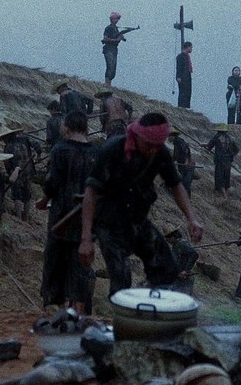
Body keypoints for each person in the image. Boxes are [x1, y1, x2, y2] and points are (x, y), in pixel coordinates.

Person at [78, 112, 204, 297]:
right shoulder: (112, 150)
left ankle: (153, 305)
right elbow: (91, 192)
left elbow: (176, 185)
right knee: (121, 277)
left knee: (166, 267)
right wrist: (86, 238)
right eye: (149, 145)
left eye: (157, 145)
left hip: (138, 218)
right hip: (109, 221)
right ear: (137, 135)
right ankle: (122, 312)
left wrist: (191, 219)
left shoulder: (160, 152)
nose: (153, 150)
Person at [36, 111, 98, 314]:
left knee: (56, 261)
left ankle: (57, 308)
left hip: (62, 214)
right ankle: (79, 310)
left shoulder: (60, 149)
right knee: (81, 265)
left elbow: (53, 183)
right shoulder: (96, 152)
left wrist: (44, 200)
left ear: (68, 127)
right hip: (86, 219)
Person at [0, 126, 42, 222]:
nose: (3, 140)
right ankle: (26, 218)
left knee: (17, 195)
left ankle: (19, 218)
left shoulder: (8, 147)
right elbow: (37, 146)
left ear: (7, 136)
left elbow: (7, 164)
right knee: (27, 194)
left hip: (16, 173)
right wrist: (39, 156)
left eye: (3, 138)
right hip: (29, 171)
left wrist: (10, 175)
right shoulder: (25, 139)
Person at [203, 124, 239, 198]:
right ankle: (226, 194)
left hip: (220, 160)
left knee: (220, 177)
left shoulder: (217, 137)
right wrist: (232, 156)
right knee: (226, 177)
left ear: (219, 131)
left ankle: (224, 195)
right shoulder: (230, 138)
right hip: (228, 160)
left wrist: (205, 148)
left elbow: (209, 147)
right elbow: (237, 150)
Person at [165, 226, 199, 295]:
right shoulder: (176, 245)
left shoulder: (182, 244)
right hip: (178, 278)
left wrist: (185, 270)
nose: (166, 240)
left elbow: (194, 254)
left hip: (184, 278)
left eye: (167, 238)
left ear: (173, 237)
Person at [169, 128, 194, 197]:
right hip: (182, 164)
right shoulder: (175, 143)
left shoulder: (179, 141)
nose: (168, 138)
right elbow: (175, 155)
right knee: (182, 181)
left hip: (188, 164)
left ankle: (187, 198)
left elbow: (186, 151)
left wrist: (186, 161)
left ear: (173, 136)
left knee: (186, 183)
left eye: (169, 136)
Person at [102, 11, 125, 85]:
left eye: (117, 19)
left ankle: (109, 84)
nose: (117, 20)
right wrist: (116, 40)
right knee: (110, 66)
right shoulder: (108, 28)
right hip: (108, 49)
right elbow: (105, 39)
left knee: (113, 68)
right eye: (115, 18)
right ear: (111, 19)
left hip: (114, 49)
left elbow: (119, 38)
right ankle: (107, 84)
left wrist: (121, 38)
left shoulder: (116, 29)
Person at [175, 41, 193, 109]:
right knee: (183, 92)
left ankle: (186, 107)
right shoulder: (181, 56)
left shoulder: (187, 56)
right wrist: (179, 76)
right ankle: (181, 106)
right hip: (183, 77)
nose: (191, 49)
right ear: (187, 47)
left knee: (188, 92)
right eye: (191, 47)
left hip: (187, 77)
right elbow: (179, 67)